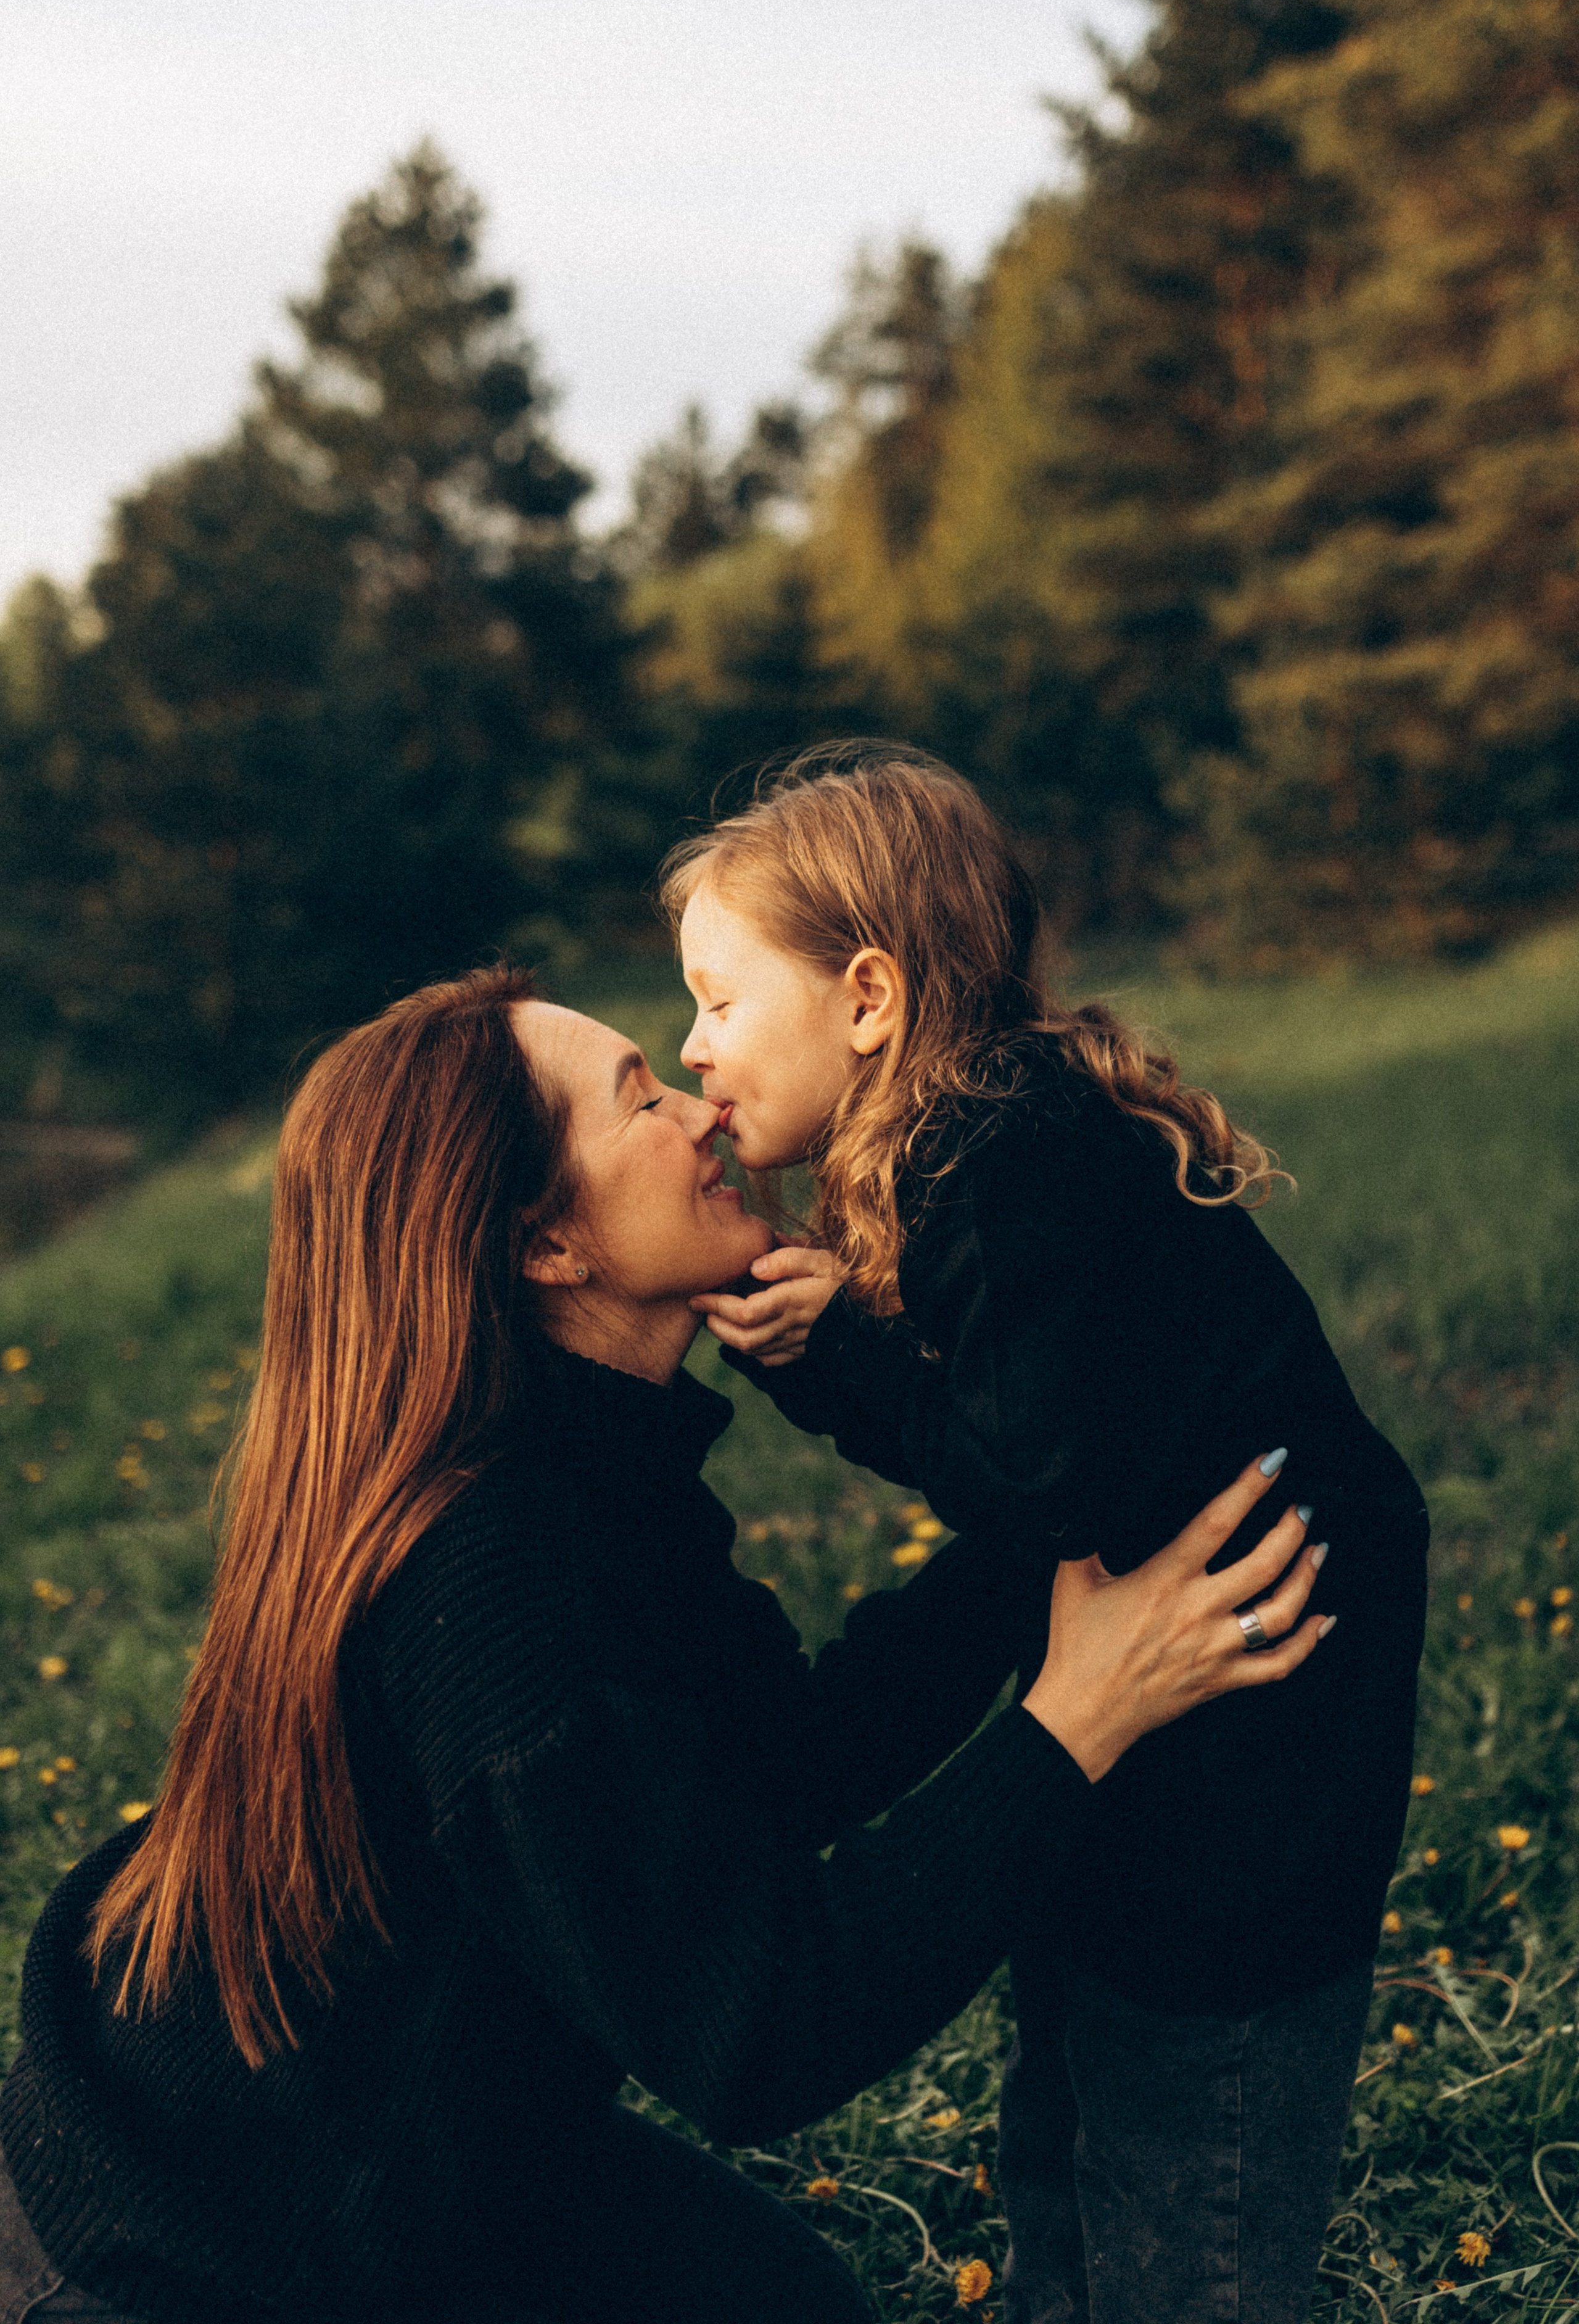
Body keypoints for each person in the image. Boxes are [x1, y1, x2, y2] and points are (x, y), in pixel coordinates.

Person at [0, 967, 1329, 2324]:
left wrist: (1049, 1516)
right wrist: (1077, 1720)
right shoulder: (497, 1577)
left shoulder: (585, 1465)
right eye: (637, 1097)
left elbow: (783, 1763)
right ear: (545, 1247)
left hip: (450, 2149)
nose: (701, 1111)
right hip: (193, 2254)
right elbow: (753, 2030)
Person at [665, 743, 1430, 2324]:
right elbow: (1028, 1454)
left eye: (718, 1002)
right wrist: (853, 1356)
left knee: (1182, 2144)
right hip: (1171, 1745)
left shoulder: (1005, 1162)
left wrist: (844, 1369)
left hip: (1253, 1759)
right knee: (1067, 2120)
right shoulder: (981, 1143)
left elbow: (1042, 1479)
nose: (692, 1046)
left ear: (866, 995)